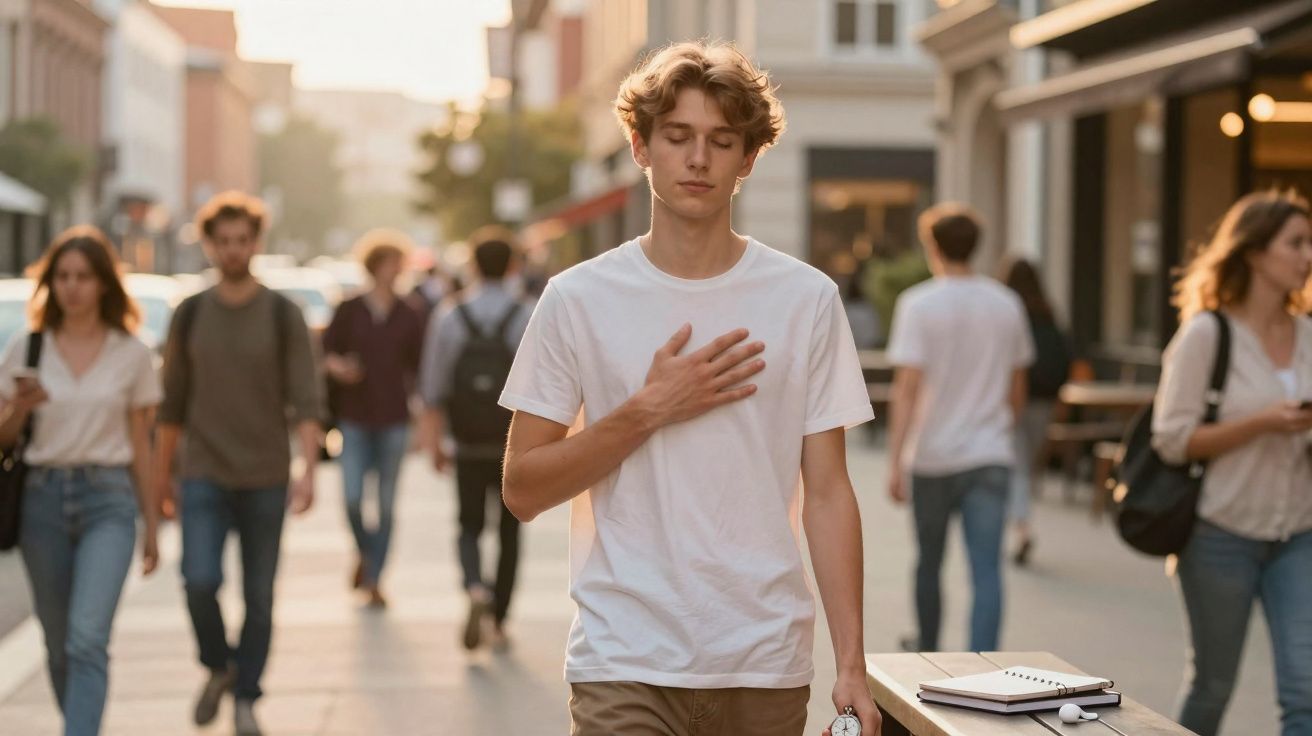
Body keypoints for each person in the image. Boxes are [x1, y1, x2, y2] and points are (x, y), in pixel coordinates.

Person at [497, 41, 881, 736]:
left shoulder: (806, 299)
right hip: (624, 659)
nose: (698, 159)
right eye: (677, 137)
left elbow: (828, 493)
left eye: (721, 140)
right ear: (641, 148)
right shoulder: (577, 298)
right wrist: (647, 411)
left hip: (764, 661)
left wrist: (850, 664)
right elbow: (522, 488)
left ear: (748, 159)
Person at [154, 191, 324, 736]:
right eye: (222, 242)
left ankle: (246, 696)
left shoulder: (281, 313)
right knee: (198, 581)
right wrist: (162, 478)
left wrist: (309, 470)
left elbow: (305, 397)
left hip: (265, 476)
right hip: (202, 471)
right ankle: (218, 665)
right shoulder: (190, 312)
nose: (232, 250)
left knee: (259, 595)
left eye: (242, 241)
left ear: (255, 243)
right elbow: (171, 403)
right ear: (209, 245)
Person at [1152, 190, 1312, 736]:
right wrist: (1262, 423)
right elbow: (1171, 439)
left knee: (1306, 691)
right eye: (1295, 243)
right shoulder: (1207, 334)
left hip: (1300, 534)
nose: (1307, 255)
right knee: (1214, 685)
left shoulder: (1310, 335)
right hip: (1220, 535)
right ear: (1252, 252)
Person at [0, 227, 161, 736]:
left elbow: (142, 444)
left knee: (87, 636)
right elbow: (3, 440)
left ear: (104, 284)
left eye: (83, 277)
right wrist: (20, 411)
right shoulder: (27, 347)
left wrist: (152, 525)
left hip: (108, 500)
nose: (72, 287)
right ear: (50, 283)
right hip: (41, 502)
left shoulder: (130, 352)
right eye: (62, 276)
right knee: (57, 640)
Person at [885, 204, 1033, 654]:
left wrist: (895, 462)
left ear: (932, 246)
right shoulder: (1006, 303)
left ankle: (927, 652)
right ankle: (983, 665)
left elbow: (906, 390)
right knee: (986, 570)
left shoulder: (918, 304)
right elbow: (1018, 385)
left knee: (929, 563)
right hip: (990, 454)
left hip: (932, 456)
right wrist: (1001, 427)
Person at [419, 227, 532, 651]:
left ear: (472, 264)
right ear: (514, 266)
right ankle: (499, 621)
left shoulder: (450, 314)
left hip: (465, 440)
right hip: (513, 442)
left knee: (468, 525)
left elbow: (434, 385)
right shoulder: (528, 313)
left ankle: (474, 588)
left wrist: (433, 442)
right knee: (508, 530)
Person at [322, 229, 425, 608]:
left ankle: (375, 578)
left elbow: (420, 368)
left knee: (385, 504)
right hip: (355, 416)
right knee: (350, 497)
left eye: (400, 263)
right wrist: (340, 367)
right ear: (375, 266)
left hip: (394, 417)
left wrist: (422, 418)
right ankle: (365, 554)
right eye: (390, 263)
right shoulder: (349, 308)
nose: (396, 270)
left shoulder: (409, 312)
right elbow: (326, 352)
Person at [998, 256, 1070, 566]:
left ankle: (1021, 528)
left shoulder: (1005, 310)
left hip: (1013, 398)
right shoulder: (1047, 311)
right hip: (1044, 400)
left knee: (1016, 466)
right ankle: (1018, 525)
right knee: (1023, 466)